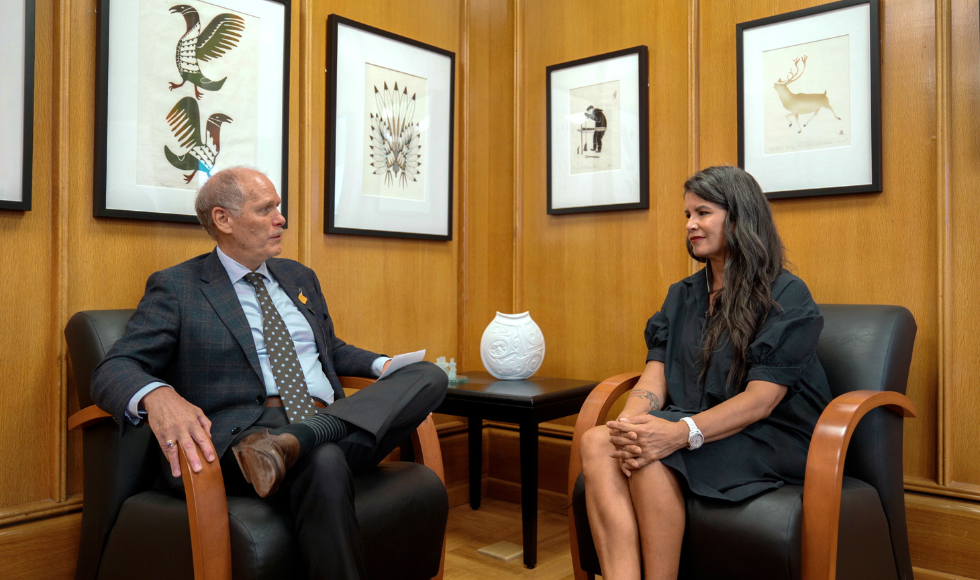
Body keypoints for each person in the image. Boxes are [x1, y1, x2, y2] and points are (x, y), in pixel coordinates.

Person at [90, 166, 448, 579]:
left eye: (278, 207)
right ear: (223, 220)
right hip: (248, 439)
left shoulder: (298, 277)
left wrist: (382, 366)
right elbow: (114, 367)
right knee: (325, 460)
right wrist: (158, 395)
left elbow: (329, 348)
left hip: (330, 421)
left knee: (428, 374)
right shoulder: (179, 287)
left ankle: (298, 441)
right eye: (266, 209)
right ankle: (293, 443)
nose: (281, 219)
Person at [579, 165, 831, 580]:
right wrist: (629, 424)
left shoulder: (785, 294)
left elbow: (762, 400)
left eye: (703, 213)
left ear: (739, 216)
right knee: (597, 440)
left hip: (770, 434)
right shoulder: (682, 294)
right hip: (693, 420)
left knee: (650, 455)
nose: (691, 225)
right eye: (687, 216)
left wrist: (678, 434)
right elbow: (655, 376)